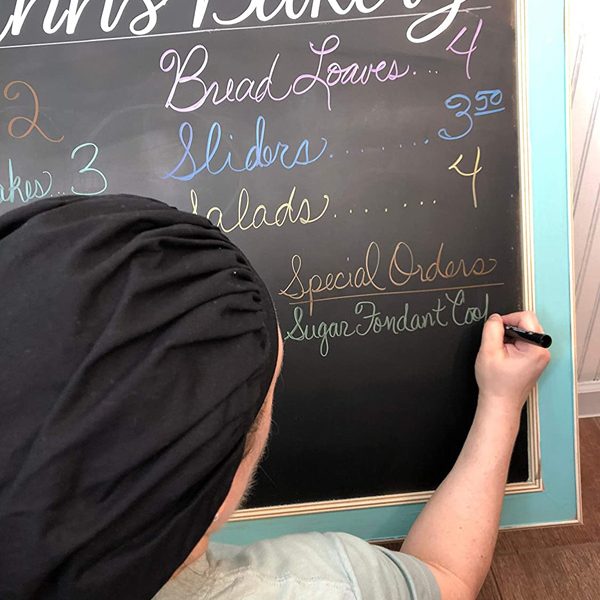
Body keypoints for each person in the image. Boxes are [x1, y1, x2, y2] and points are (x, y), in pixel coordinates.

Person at [0, 195, 550, 600]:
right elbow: (446, 579)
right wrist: (502, 403)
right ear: (213, 488)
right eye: (262, 396)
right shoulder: (315, 586)